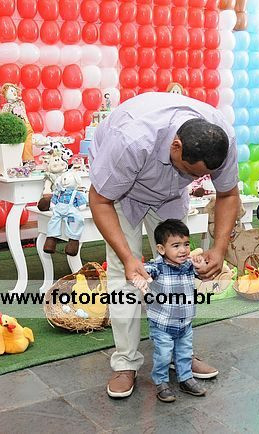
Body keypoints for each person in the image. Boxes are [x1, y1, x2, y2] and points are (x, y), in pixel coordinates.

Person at [88, 92, 240, 399]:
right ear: (176, 146)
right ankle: (125, 362)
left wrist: (219, 249)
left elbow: (228, 194)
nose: (198, 179)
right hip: (119, 193)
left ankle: (177, 354)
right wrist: (129, 258)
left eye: (204, 176)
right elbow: (99, 199)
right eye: (193, 173)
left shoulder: (222, 138)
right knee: (126, 275)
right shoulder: (132, 138)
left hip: (169, 195)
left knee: (179, 268)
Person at [139, 219, 208, 403]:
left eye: (186, 244)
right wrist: (140, 277)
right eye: (176, 246)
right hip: (162, 324)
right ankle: (161, 382)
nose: (183, 250)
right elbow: (145, 270)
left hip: (185, 322)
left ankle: (185, 378)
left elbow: (204, 273)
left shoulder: (188, 266)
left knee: (185, 353)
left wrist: (201, 265)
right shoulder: (157, 267)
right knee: (163, 355)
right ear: (161, 249)